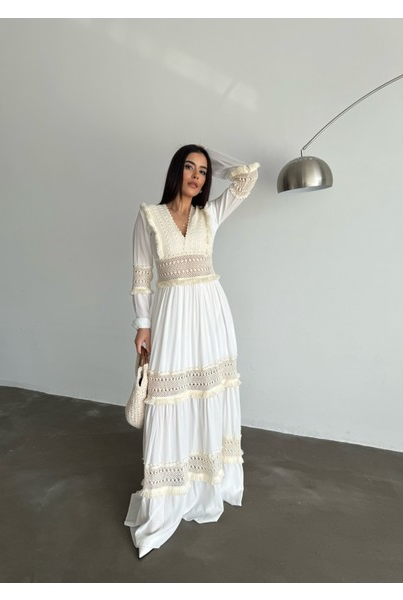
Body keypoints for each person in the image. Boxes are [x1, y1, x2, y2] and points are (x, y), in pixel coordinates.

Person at [124, 144, 260, 558]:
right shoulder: (149, 216)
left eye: (203, 171)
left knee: (206, 394)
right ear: (175, 171)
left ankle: (205, 483)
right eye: (189, 167)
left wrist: (214, 160)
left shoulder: (209, 214)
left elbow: (247, 178)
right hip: (171, 317)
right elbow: (142, 276)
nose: (196, 176)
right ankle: (169, 495)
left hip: (210, 315)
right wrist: (142, 325)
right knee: (171, 399)